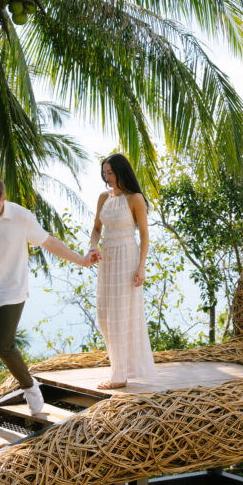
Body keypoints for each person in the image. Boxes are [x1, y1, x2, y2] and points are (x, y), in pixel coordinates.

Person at [0, 176, 98, 432]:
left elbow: (49, 242)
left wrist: (80, 260)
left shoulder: (22, 217)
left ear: (4, 198)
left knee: (2, 344)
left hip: (12, 293)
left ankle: (29, 386)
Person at [89, 153, 156, 389]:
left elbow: (145, 235)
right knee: (104, 315)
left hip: (127, 257)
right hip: (107, 258)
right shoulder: (103, 198)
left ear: (121, 172)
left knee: (120, 314)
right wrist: (92, 248)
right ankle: (119, 368)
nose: (107, 178)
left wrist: (141, 267)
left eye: (111, 173)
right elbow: (96, 229)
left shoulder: (135, 198)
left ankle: (119, 375)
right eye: (104, 173)